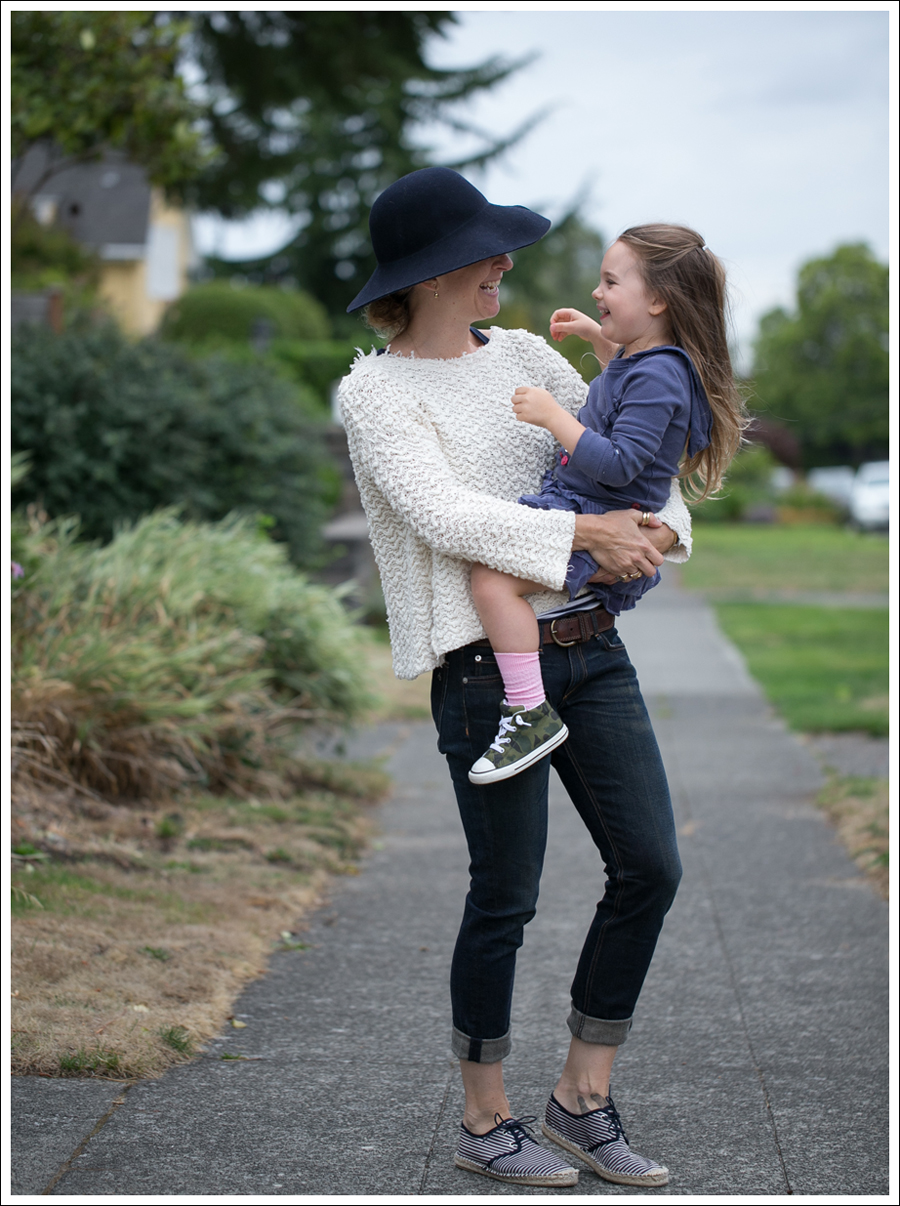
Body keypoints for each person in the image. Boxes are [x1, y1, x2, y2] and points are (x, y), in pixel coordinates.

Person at [338, 166, 696, 1189]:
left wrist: (657, 530)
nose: (505, 263)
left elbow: (639, 454)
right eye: (484, 251)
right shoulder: (376, 391)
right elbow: (444, 515)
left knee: (652, 868)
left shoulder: (532, 355)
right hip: (487, 675)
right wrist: (586, 533)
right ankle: (485, 1119)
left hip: (594, 648)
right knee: (506, 895)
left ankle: (581, 1100)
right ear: (430, 273)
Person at [466, 224, 745, 785]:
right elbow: (623, 389)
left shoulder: (661, 375)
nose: (597, 291)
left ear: (658, 300)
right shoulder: (649, 362)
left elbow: (620, 462)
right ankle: (530, 707)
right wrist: (598, 337)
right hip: (587, 503)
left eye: (611, 282)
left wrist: (554, 417)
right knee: (495, 578)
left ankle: (527, 711)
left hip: (596, 509)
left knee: (491, 583)